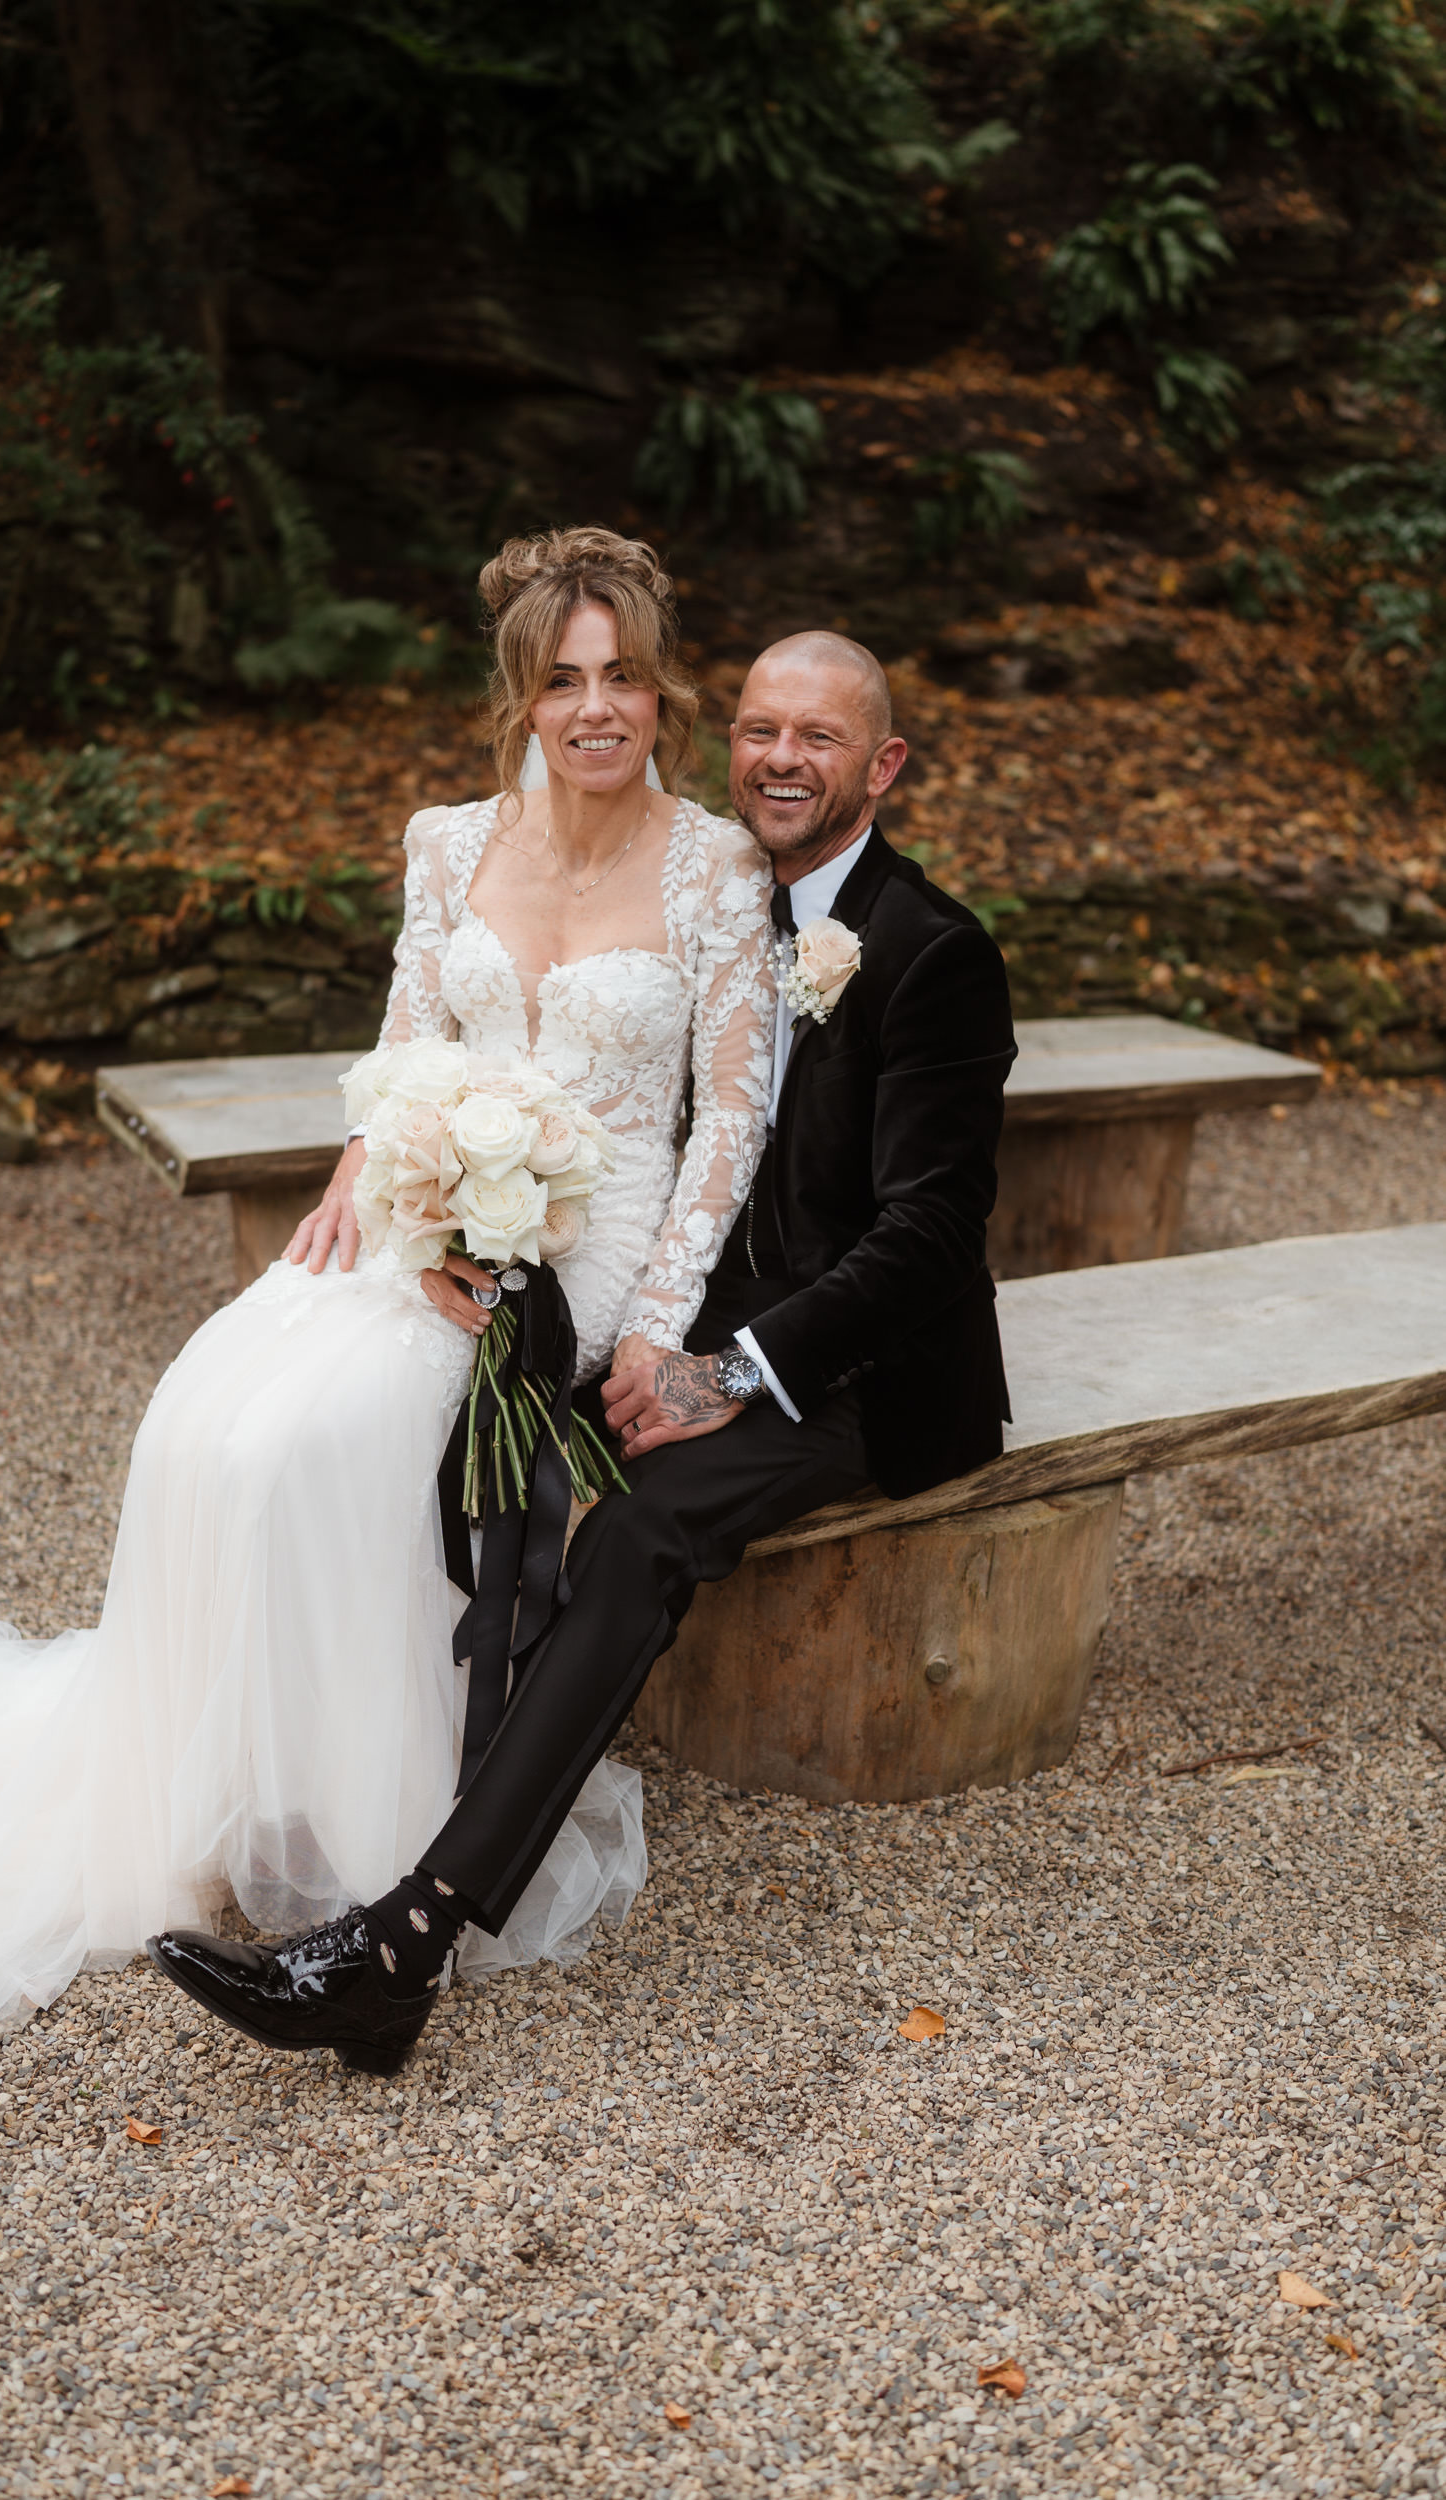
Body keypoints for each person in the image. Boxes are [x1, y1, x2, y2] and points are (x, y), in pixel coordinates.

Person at [0, 528, 774, 2096]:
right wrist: (371, 1178)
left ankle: (383, 1846)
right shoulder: (451, 841)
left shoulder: (715, 867)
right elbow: (406, 1041)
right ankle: (246, 1782)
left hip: (595, 1243)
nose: (597, 709)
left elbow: (730, 1124)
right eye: (564, 680)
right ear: (519, 697)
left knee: (337, 1430)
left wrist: (650, 1326)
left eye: (625, 677)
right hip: (436, 1206)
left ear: (664, 695)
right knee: (212, 1414)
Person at [147, 628, 1018, 2075]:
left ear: (884, 767)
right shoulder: (724, 886)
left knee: (631, 1531)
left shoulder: (934, 950)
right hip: (694, 1305)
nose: (781, 759)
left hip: (859, 1369)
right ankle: (343, 1795)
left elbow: (930, 1236)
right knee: (460, 1440)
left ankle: (406, 1940)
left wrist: (727, 1371)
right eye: (760, 730)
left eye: (818, 738)